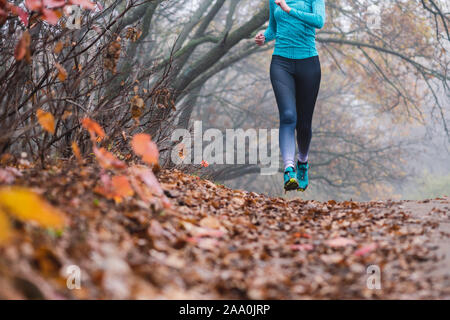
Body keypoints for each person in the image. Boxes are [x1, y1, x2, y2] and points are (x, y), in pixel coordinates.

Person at [255, 0, 326, 192]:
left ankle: (302, 162)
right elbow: (273, 29)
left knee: (303, 124)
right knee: (288, 116)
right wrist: (264, 37)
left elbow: (319, 21)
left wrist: (289, 9)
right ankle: (288, 169)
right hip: (281, 63)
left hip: (309, 63)